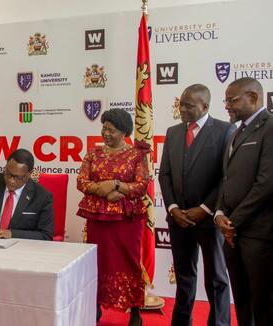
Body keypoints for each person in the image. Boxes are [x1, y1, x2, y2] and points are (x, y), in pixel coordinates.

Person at [159, 84, 232, 326]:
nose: (182, 109)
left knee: (216, 279)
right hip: (178, 219)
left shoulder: (224, 130)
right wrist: (172, 208)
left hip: (209, 220)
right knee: (184, 278)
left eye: (189, 105)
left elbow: (226, 176)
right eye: (181, 103)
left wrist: (205, 209)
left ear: (205, 106)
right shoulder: (173, 132)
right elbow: (165, 174)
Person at [76, 108, 149, 326]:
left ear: (124, 132)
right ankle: (95, 306)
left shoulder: (136, 155)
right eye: (104, 128)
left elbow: (141, 185)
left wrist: (118, 186)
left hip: (126, 220)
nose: (106, 133)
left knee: (129, 262)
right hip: (97, 218)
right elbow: (81, 181)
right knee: (97, 262)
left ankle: (135, 309)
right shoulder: (92, 154)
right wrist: (104, 190)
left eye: (111, 130)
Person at [215, 77, 273, 326]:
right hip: (233, 234)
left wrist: (233, 221)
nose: (227, 105)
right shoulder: (237, 130)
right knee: (242, 302)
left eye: (232, 100)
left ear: (253, 97)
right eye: (226, 100)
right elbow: (226, 178)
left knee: (264, 304)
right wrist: (218, 212)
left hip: (259, 234)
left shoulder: (270, 127)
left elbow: (267, 182)